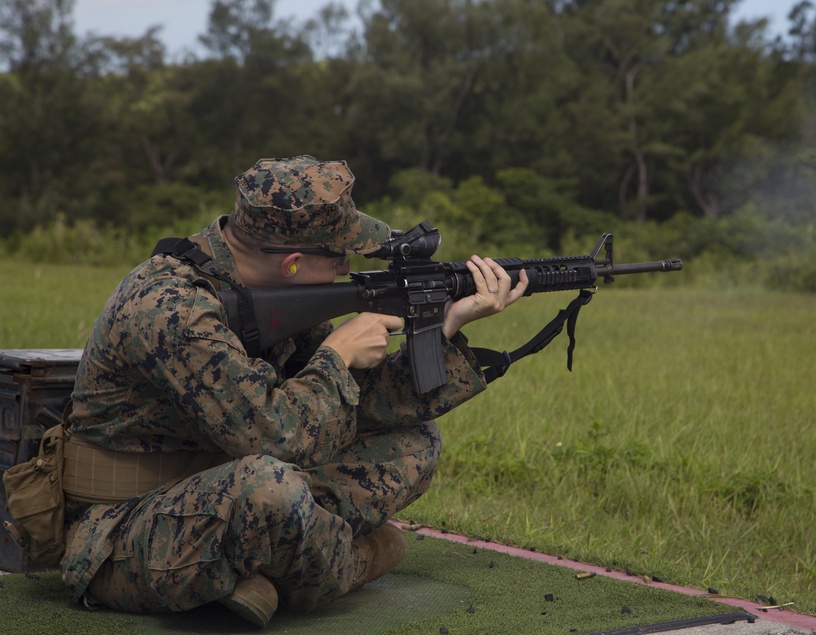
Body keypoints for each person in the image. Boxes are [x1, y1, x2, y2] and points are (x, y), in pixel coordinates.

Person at [58, 154, 529, 628]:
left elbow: (350, 408)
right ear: (293, 264)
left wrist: (448, 326)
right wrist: (338, 354)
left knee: (413, 444)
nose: (348, 268)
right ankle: (346, 563)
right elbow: (275, 437)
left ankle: (264, 568)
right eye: (340, 257)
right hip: (126, 524)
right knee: (271, 489)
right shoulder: (171, 309)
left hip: (227, 482)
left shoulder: (265, 295)